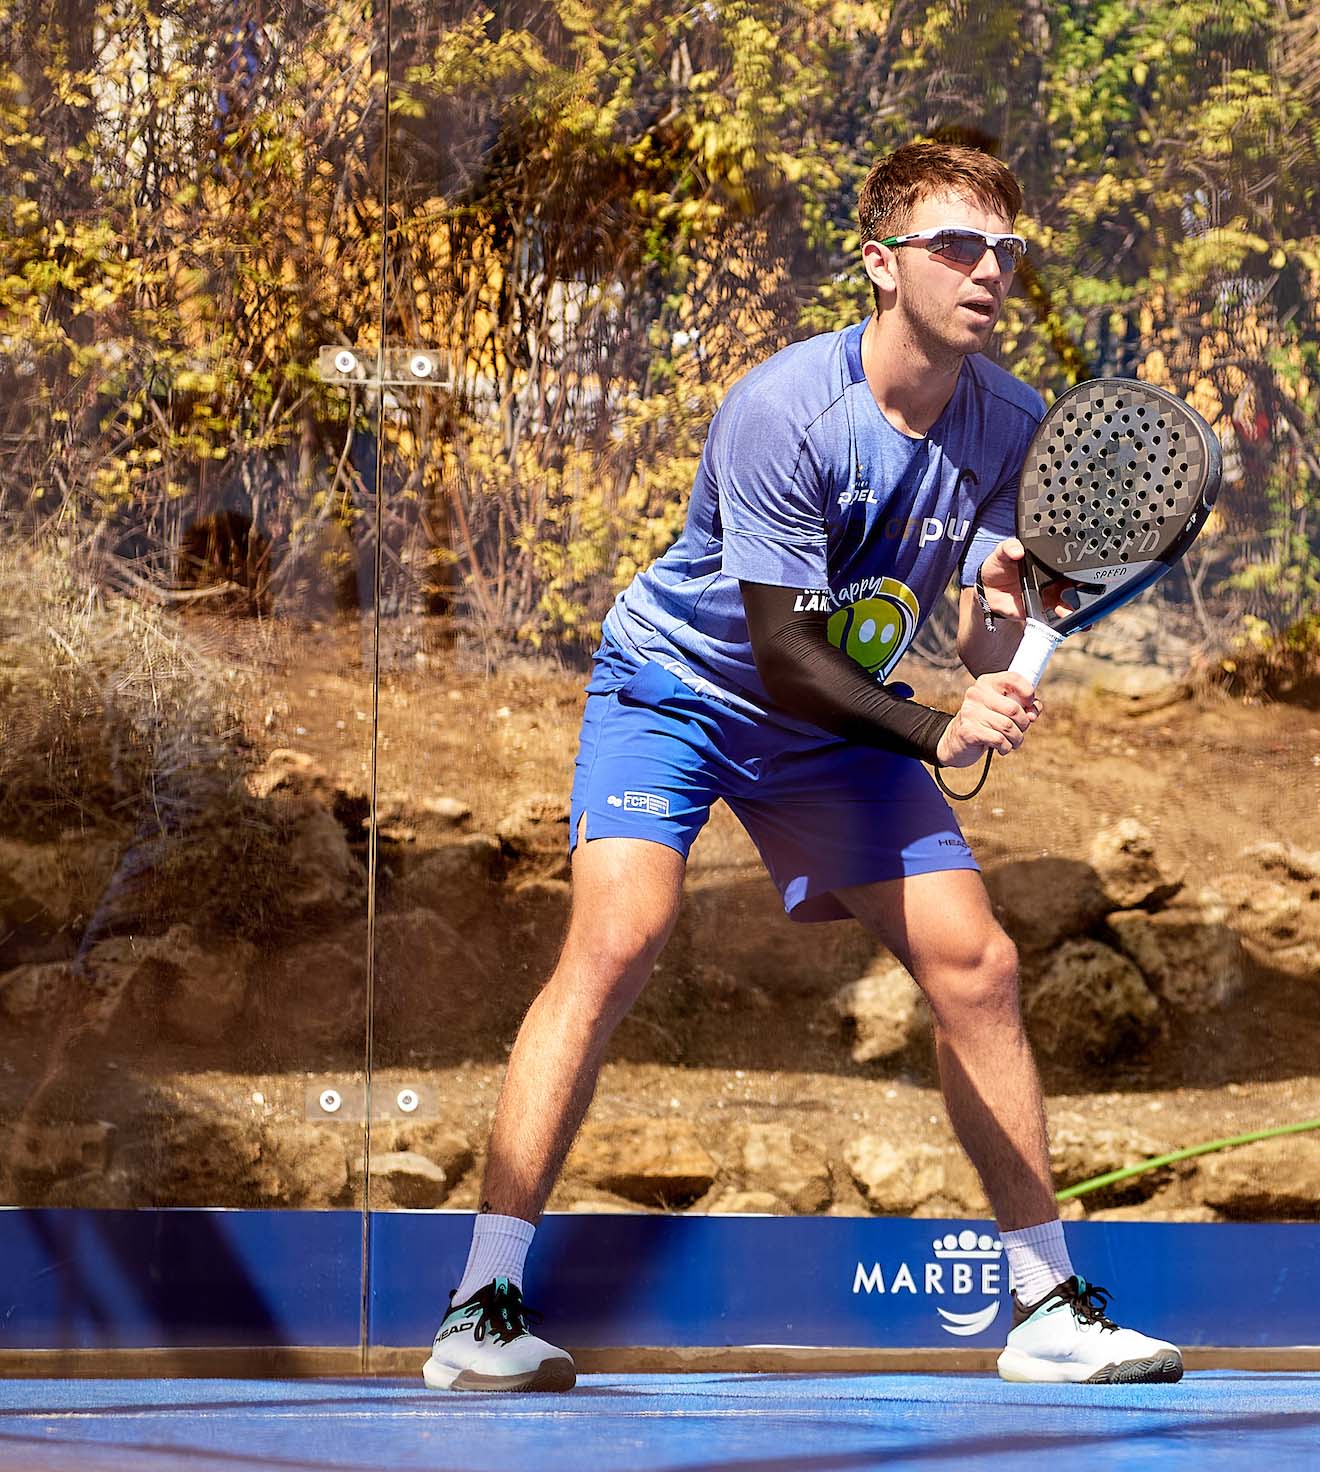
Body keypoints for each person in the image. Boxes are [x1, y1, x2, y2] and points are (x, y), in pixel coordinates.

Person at [422, 140, 1182, 1392]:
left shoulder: (1011, 422)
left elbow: (980, 632)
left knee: (978, 964)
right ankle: (481, 1308)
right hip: (680, 686)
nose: (988, 271)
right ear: (881, 263)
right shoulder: (784, 410)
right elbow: (783, 653)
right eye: (956, 245)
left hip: (835, 723)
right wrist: (938, 731)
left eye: (1004, 249)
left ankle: (1047, 1305)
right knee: (617, 938)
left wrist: (1006, 626)